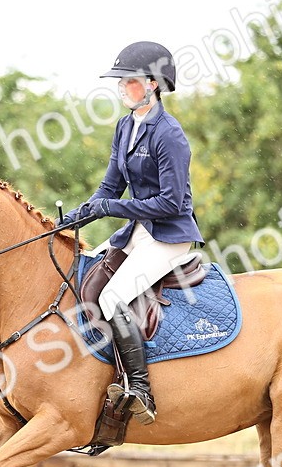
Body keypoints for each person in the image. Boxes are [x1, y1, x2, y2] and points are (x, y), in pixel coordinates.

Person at [61, 41, 205, 426]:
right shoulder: (126, 126)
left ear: (153, 85)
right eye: (120, 81)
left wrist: (114, 209)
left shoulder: (169, 135)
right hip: (139, 230)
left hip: (169, 235)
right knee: (86, 278)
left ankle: (140, 388)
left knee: (110, 297)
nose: (122, 87)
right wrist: (73, 220)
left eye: (130, 80)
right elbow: (109, 189)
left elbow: (171, 203)